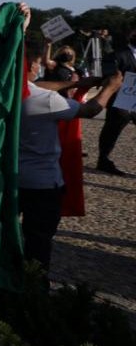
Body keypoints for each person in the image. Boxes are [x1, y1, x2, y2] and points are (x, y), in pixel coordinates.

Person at [18, 41, 124, 274]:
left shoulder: (3, 91)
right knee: (38, 243)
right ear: (33, 66)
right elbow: (90, 110)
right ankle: (34, 285)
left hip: (7, 179)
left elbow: (36, 85)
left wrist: (76, 83)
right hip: (42, 183)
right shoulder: (44, 100)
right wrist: (110, 88)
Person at [97, 29, 136, 175]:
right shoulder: (116, 55)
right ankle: (103, 160)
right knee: (111, 131)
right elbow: (109, 77)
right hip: (120, 101)